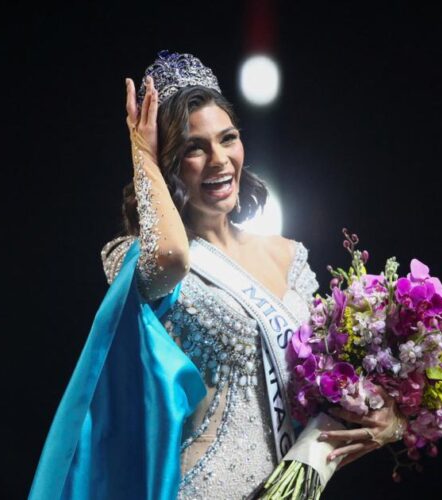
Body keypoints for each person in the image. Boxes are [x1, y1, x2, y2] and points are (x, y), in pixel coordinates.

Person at [29, 51, 406, 500]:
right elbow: (172, 256)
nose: (219, 160)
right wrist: (140, 151)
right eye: (193, 147)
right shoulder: (138, 257)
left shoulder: (290, 256)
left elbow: (323, 402)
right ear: (168, 162)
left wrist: (391, 419)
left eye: (228, 138)